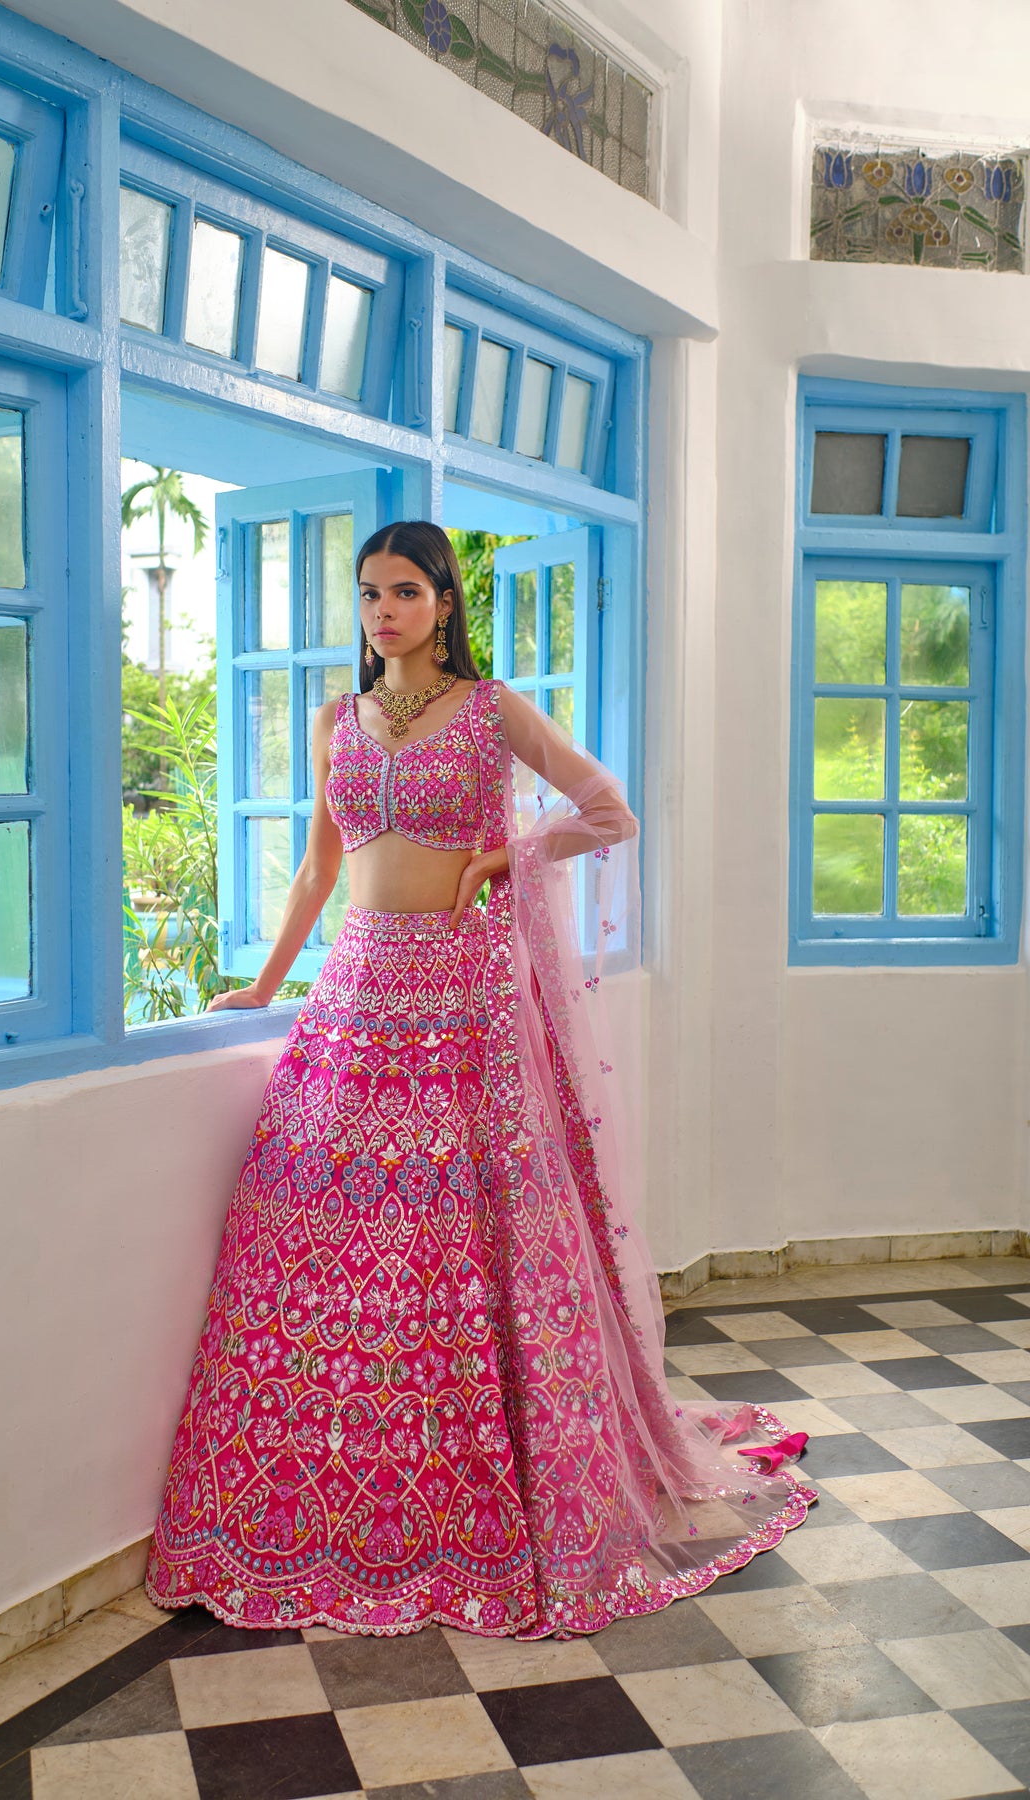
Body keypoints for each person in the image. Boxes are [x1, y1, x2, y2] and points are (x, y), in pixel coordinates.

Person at [144, 521, 816, 1641]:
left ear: (445, 602)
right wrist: (264, 986)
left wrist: (511, 856)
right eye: (368, 596)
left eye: (404, 592)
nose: (382, 613)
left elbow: (610, 814)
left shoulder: (494, 710)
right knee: (325, 1229)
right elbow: (319, 868)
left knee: (465, 1234)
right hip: (356, 996)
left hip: (465, 1001)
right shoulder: (333, 721)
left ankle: (483, 1483)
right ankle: (344, 1490)